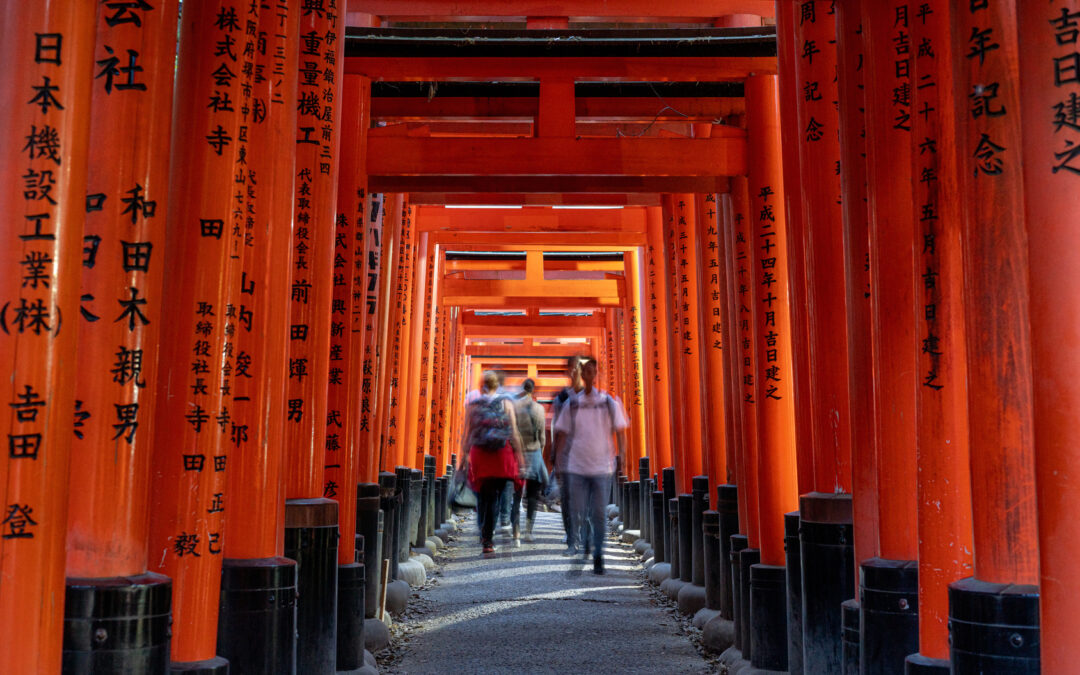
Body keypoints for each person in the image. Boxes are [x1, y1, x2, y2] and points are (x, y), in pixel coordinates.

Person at [553, 357, 628, 575]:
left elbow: (620, 430)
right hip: (576, 465)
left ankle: (597, 554)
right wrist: (559, 463)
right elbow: (561, 435)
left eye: (592, 371)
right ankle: (585, 542)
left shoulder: (608, 402)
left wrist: (621, 456)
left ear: (596, 374)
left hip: (602, 466)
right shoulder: (572, 404)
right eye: (585, 371)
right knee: (579, 510)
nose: (588, 375)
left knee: (597, 513)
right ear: (581, 374)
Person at [461, 370, 525, 555]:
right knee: (496, 496)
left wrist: (465, 455)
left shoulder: (475, 405)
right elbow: (513, 431)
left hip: (480, 454)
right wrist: (520, 456)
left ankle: (485, 534)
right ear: (498, 385)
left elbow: (468, 432)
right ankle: (491, 534)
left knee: (484, 495)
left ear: (483, 385)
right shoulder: (506, 402)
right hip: (501, 455)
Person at [549, 356, 584, 554]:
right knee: (567, 497)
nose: (571, 372)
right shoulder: (562, 398)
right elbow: (557, 428)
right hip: (567, 455)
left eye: (575, 369)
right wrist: (554, 453)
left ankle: (577, 532)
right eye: (569, 369)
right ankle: (572, 537)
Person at [513, 379, 548, 542]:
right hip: (533, 453)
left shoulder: (515, 407)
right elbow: (542, 438)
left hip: (517, 454)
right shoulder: (539, 409)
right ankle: (528, 530)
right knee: (532, 495)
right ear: (533, 390)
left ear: (523, 388)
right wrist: (539, 452)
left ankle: (516, 531)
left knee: (516, 494)